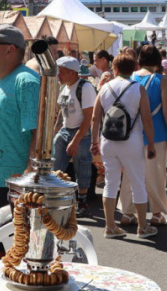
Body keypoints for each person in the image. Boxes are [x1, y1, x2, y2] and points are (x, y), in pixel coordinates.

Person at [0, 25, 40, 225]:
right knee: (5, 243)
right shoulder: (2, 81)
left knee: (18, 243)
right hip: (3, 185)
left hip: (19, 188)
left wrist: (26, 182)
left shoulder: (26, 81)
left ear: (10, 49)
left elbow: (40, 134)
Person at [91, 54, 156, 240]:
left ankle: (110, 227)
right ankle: (143, 227)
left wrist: (94, 142)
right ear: (134, 68)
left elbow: (95, 118)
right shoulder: (138, 89)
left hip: (108, 141)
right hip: (132, 142)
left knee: (111, 183)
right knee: (137, 183)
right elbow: (147, 119)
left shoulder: (104, 88)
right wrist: (151, 144)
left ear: (115, 68)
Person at [118, 46, 167, 227]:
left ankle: (127, 212)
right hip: (157, 133)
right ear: (158, 61)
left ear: (139, 59)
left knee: (129, 175)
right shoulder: (162, 80)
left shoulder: (131, 78)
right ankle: (156, 214)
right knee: (155, 175)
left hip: (131, 133)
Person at [52, 56, 95, 218]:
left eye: (62, 72)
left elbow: (88, 117)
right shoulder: (64, 88)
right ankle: (56, 198)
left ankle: (82, 202)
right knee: (55, 165)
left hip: (81, 131)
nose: (59, 75)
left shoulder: (85, 87)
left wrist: (76, 141)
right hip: (65, 130)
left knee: (82, 166)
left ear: (72, 73)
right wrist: (55, 132)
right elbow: (61, 114)